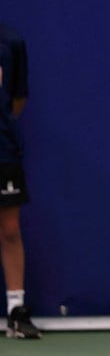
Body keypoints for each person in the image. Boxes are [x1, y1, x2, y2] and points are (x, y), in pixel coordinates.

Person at [0, 23, 40, 339]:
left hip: (3, 147)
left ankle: (16, 310)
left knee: (10, 229)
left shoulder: (12, 41)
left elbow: (16, 101)